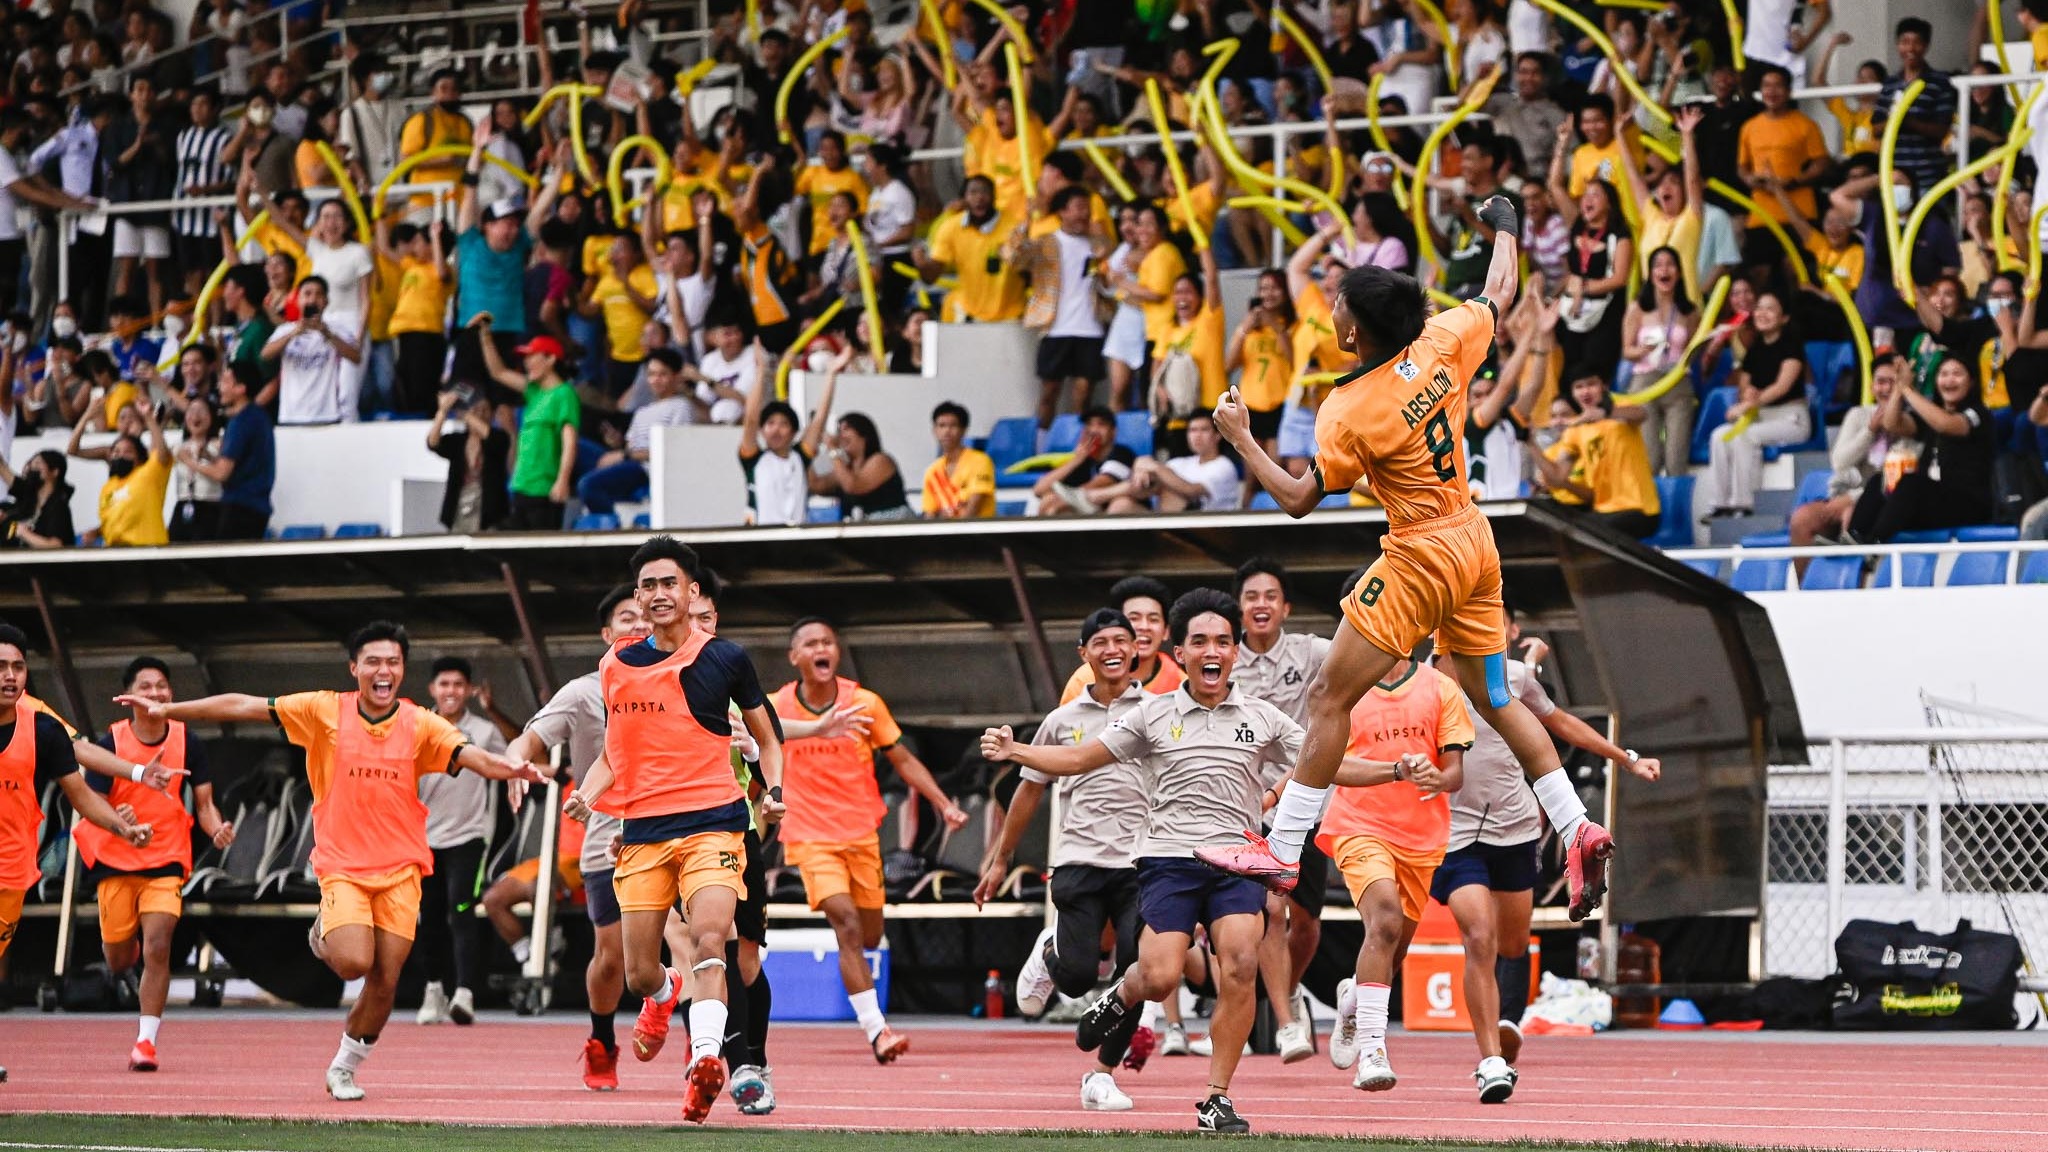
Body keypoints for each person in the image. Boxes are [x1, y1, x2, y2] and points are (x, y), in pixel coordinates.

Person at [1205, 192, 1616, 922]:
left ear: (1353, 331)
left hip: (1421, 555)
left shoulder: (1349, 409)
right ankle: (1575, 821)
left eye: (1336, 301)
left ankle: (1284, 845)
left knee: (1330, 696)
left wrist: (1240, 438)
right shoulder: (1443, 341)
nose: (1329, 306)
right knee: (1493, 695)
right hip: (1474, 541)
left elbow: (1301, 499)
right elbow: (1501, 291)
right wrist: (1508, 227)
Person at [112, 621, 547, 1101]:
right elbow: (244, 705)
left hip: (402, 867)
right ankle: (323, 932)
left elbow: (469, 755)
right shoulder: (324, 710)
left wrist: (509, 766)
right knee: (353, 962)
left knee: (386, 977)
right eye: (374, 662)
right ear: (354, 667)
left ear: (402, 670)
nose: (384, 671)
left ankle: (345, 1066)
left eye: (394, 663)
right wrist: (171, 709)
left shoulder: (419, 722)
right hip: (342, 866)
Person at [979, 589, 1305, 1134]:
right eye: (1199, 640)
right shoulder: (1150, 715)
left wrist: (1394, 769)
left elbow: (1324, 760)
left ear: (1235, 653)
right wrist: (1017, 753)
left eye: (1223, 641)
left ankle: (1217, 1098)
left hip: (1236, 860)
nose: (1212, 650)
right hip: (1166, 861)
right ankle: (1124, 991)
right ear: (1179, 652)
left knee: (1240, 964)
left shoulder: (1264, 718)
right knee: (1157, 977)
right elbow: (1080, 758)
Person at [560, 537, 786, 1123]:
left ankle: (706, 1062)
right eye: (649, 586)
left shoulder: (726, 658)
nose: (660, 594)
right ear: (638, 596)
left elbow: (767, 738)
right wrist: (587, 794)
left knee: (713, 940)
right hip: (643, 832)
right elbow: (614, 752)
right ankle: (662, 999)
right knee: (638, 973)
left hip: (716, 825)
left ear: (692, 592)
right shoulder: (617, 665)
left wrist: (775, 791)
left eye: (671, 584)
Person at [1428, 613, 1659, 1096]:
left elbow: (1561, 723)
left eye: (1493, 624)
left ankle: (1508, 1023)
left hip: (1515, 830)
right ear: (1440, 632)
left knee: (1513, 944)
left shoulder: (1511, 678)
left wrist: (1627, 758)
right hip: (1454, 832)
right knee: (1479, 937)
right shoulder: (1422, 684)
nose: (1482, 632)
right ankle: (1490, 1059)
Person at [975, 609, 1152, 1110]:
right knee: (1076, 977)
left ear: (1136, 650)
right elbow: (1028, 794)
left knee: (1137, 972)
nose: (1112, 649)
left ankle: (1103, 1076)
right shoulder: (1061, 720)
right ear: (1084, 654)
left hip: (1142, 861)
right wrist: (1000, 858)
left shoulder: (1159, 710)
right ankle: (1050, 950)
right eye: (1100, 642)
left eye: (1123, 640)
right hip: (1079, 857)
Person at [772, 617, 969, 1062]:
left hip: (861, 833)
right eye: (811, 643)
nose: (822, 648)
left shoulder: (864, 702)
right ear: (795, 656)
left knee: (868, 933)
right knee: (845, 923)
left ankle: (867, 995)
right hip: (808, 834)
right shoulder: (777, 706)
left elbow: (903, 758)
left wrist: (943, 804)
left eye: (829, 641)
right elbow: (751, 753)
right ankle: (877, 1030)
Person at [1307, 635, 1471, 1095]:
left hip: (1422, 838)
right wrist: (1395, 769)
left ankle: (1354, 998)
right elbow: (1327, 763)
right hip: (1358, 824)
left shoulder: (1441, 688)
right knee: (1383, 921)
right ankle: (1374, 1050)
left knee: (1392, 948)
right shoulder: (1342, 689)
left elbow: (1454, 773)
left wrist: (1438, 778)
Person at [0, 625, 158, 1084]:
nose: (10, 676)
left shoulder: (42, 728)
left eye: (17, 667)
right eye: (0, 667)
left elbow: (81, 794)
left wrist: (122, 825)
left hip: (11, 867)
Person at [506, 585, 645, 1090]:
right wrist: (519, 760)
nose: (639, 625)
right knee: (614, 958)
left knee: (695, 938)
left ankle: (705, 1050)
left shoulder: (683, 682)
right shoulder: (583, 692)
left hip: (672, 829)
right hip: (606, 834)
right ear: (607, 634)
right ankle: (603, 1040)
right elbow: (533, 736)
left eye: (646, 617)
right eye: (627, 618)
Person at [74, 656, 231, 1072]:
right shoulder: (109, 743)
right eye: (147, 687)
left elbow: (204, 804)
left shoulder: (187, 741)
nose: (157, 694)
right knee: (119, 958)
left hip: (165, 857)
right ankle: (127, 949)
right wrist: (117, 818)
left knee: (159, 946)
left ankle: (146, 1041)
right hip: (115, 859)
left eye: (162, 686)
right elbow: (91, 803)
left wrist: (215, 829)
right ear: (128, 697)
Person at [1229, 557, 1332, 1054]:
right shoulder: (1224, 659)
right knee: (1269, 910)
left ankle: (1283, 991)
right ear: (1239, 608)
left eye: (1270, 596)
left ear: (1286, 606)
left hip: (1305, 805)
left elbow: (1371, 661)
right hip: (1246, 810)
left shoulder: (1311, 652)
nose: (1261, 604)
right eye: (1251, 597)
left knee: (1307, 922)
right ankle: (1285, 1020)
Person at [412, 657, 509, 1028]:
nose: (450, 691)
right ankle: (433, 990)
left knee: (461, 911)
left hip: (468, 839)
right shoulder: (417, 726)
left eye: (457, 685)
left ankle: (465, 992)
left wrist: (494, 710)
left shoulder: (483, 732)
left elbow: (512, 756)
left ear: (468, 690)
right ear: (432, 690)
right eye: (444, 684)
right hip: (422, 840)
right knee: (430, 917)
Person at [1847, 353, 1995, 542]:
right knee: (1879, 481)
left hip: (1968, 504)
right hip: (1933, 503)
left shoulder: (1979, 413)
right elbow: (1892, 423)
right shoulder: (1932, 414)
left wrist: (1908, 389)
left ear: (1972, 381)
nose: (1949, 380)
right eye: (1943, 374)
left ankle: (1876, 544)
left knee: (1911, 482)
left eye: (1957, 374)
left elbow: (1946, 424)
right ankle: (1853, 539)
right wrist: (1899, 389)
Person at [1012, 186, 1111, 440]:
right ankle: (1041, 444)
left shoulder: (1098, 246)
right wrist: (1025, 221)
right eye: (1079, 208)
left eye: (1087, 209)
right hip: (1055, 326)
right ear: (1062, 211)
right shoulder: (1046, 242)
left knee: (1084, 391)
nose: (1085, 214)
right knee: (1049, 391)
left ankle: (1080, 442)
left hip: (1090, 326)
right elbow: (1014, 258)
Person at [1699, 290, 1809, 520]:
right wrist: (1746, 395)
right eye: (1759, 308)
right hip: (1760, 417)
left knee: (1746, 437)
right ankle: (1720, 503)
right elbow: (1744, 386)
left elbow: (1782, 386)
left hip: (1790, 418)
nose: (1762, 313)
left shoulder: (1792, 346)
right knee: (1720, 436)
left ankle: (1744, 503)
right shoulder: (1754, 351)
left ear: (1784, 318)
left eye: (1770, 309)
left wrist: (1751, 403)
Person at [1534, 373, 1662, 539]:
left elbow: (1641, 414)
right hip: (1603, 511)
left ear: (1604, 387)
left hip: (1640, 509)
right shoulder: (1574, 432)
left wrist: (1604, 412)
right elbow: (1558, 478)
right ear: (1573, 393)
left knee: (1583, 533)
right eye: (1579, 387)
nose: (1585, 391)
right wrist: (1530, 443)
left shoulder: (1620, 410)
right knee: (1560, 532)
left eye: (1591, 384)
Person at [477, 325, 579, 531]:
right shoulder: (534, 392)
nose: (526, 362)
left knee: (540, 557)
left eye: (532, 357)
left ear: (550, 359)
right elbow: (498, 372)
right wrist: (486, 337)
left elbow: (570, 441)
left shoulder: (564, 394)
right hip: (521, 486)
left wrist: (562, 480)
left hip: (545, 489)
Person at [578, 348, 694, 517]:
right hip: (629, 462)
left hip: (646, 470)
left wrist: (624, 455)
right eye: (652, 374)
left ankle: (616, 523)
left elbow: (674, 451)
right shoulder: (643, 411)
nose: (656, 380)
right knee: (577, 446)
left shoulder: (681, 406)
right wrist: (617, 443)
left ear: (676, 377)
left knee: (588, 485)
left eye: (663, 374)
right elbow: (631, 445)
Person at [738, 342, 832, 526]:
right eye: (770, 423)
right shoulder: (753, 459)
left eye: (783, 424)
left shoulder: (801, 456)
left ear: (794, 432)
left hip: (796, 540)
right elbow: (750, 419)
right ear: (762, 430)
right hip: (760, 541)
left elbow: (820, 419)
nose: (776, 430)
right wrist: (761, 372)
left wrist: (832, 373)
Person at [1060, 576, 1186, 705]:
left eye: (1153, 619)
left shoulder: (1181, 683)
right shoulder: (1084, 679)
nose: (1144, 626)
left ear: (1166, 631)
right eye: (1134, 618)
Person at [262, 276, 365, 426]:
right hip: (291, 415)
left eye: (318, 294)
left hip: (327, 414)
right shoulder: (285, 330)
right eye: (307, 294)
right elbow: (265, 354)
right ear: (298, 300)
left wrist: (327, 334)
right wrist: (294, 333)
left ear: (326, 301)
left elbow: (356, 357)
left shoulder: (336, 330)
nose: (313, 299)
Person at [1100, 412, 1241, 513]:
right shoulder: (1179, 462)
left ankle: (1093, 496)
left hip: (1210, 529)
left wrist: (1153, 466)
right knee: (1121, 505)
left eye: (1204, 430)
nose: (1197, 435)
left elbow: (1191, 491)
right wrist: (1142, 469)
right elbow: (1148, 485)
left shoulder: (1224, 466)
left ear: (1217, 435)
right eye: (1192, 430)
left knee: (1172, 493)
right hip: (1166, 524)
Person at [76, 401, 172, 547]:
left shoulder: (149, 474)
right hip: (114, 553)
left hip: (147, 552)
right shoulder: (108, 487)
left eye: (128, 452)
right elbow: (114, 518)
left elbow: (161, 454)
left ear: (139, 458)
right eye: (116, 452)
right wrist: (96, 532)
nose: (120, 456)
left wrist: (149, 419)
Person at [816, 411, 912, 521]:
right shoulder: (846, 469)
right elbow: (817, 485)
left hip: (894, 530)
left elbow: (853, 486)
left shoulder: (880, 460)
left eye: (846, 429)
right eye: (839, 431)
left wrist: (832, 449)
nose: (840, 436)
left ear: (863, 434)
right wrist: (810, 449)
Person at [920, 401, 996, 519]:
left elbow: (973, 509)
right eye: (941, 426)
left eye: (953, 426)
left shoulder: (980, 461)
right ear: (934, 430)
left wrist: (944, 516)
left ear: (963, 430)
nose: (947, 431)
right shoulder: (932, 471)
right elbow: (929, 515)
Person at [1, 448, 76, 548]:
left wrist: (25, 534)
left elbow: (56, 545)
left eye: (38, 463)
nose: (32, 468)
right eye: (32, 464)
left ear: (54, 472)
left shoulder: (58, 506)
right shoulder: (28, 501)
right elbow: (6, 473)